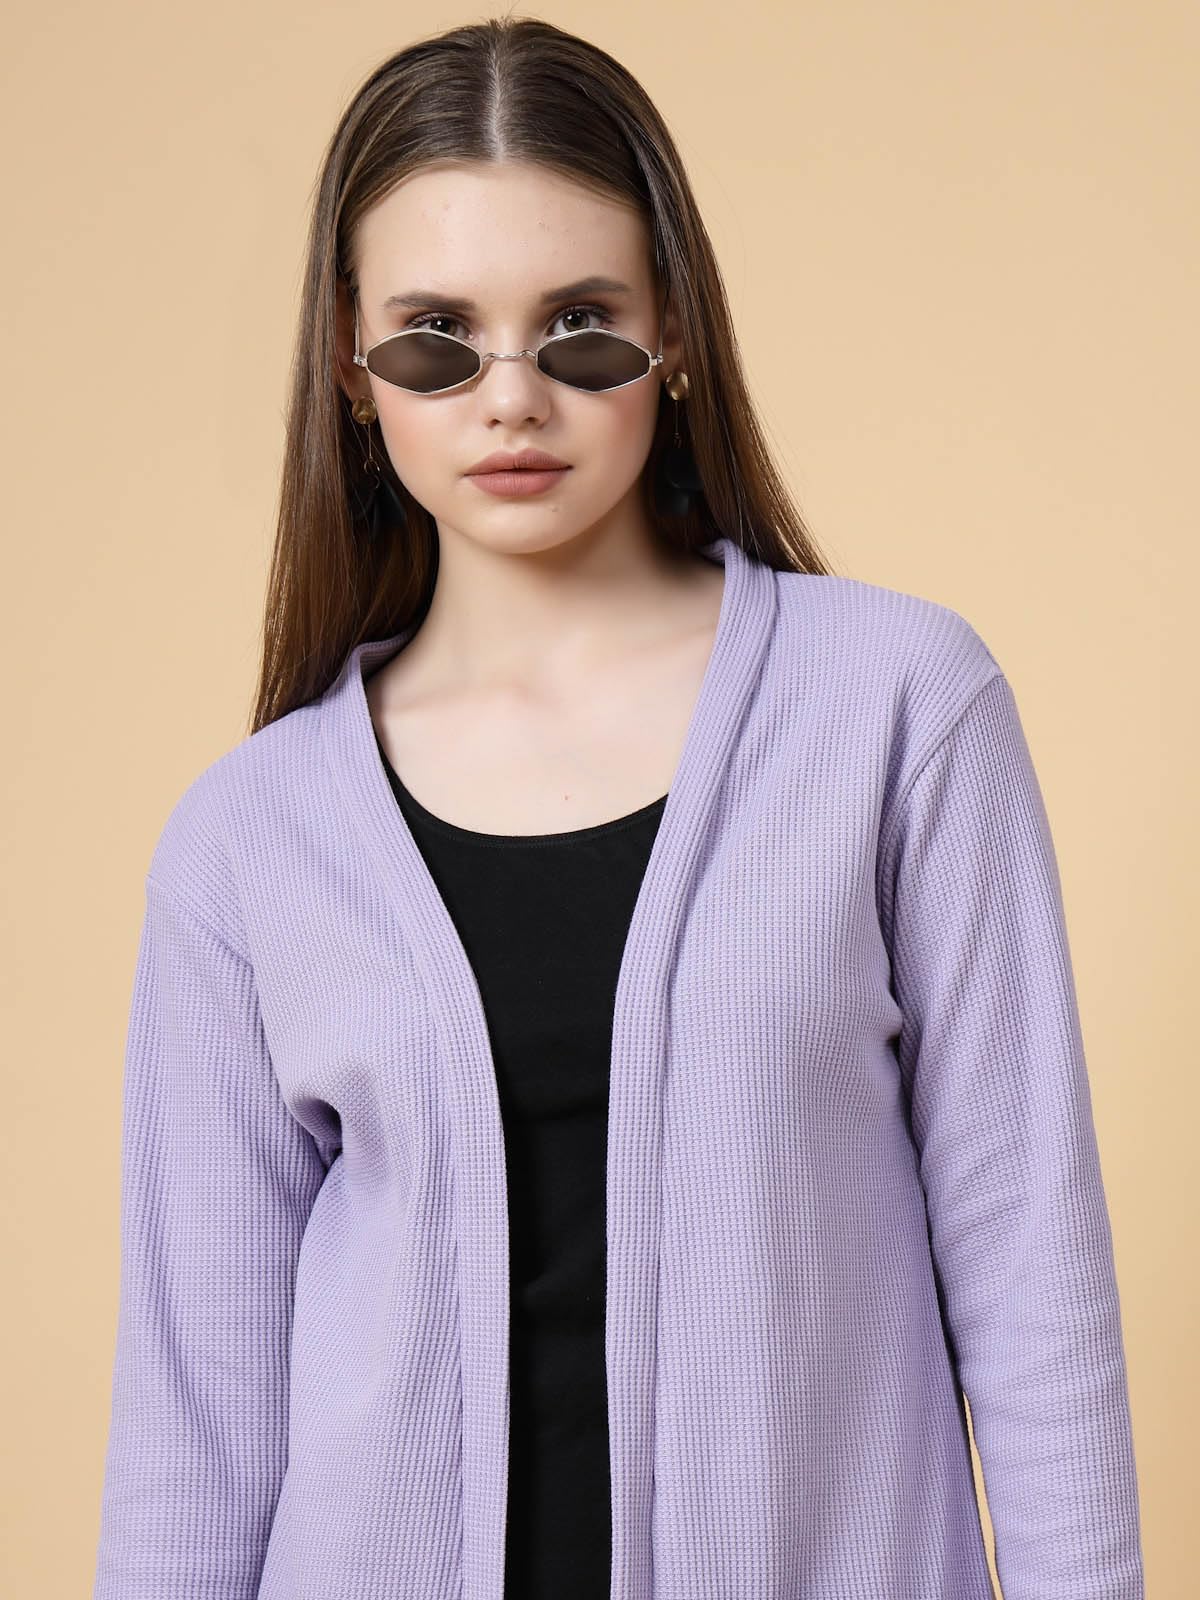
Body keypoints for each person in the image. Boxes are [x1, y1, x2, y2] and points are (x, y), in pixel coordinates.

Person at [91, 15, 1144, 1600]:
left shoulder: (897, 711)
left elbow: (1029, 1268)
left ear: (677, 338)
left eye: (580, 326)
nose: (510, 397)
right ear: (351, 369)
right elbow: (196, 1426)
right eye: (436, 337)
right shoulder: (246, 842)